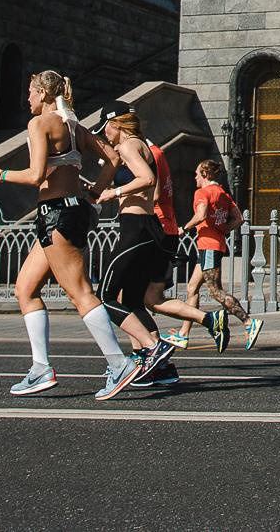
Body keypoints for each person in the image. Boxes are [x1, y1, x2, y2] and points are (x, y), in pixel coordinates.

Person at [0, 70, 166, 400]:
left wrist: (3, 174)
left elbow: (36, 174)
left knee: (80, 293)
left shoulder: (40, 124)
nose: (27, 99)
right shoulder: (73, 125)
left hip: (56, 213)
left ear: (42, 93)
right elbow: (111, 158)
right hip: (69, 211)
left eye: (30, 92)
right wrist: (96, 189)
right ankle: (41, 368)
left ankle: (119, 363)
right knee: (25, 288)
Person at [90, 111, 184, 389]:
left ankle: (153, 347)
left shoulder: (130, 144)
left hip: (136, 229)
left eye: (105, 128)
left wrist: (114, 193)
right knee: (131, 300)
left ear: (117, 123)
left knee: (104, 297)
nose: (104, 133)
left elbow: (146, 179)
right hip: (147, 228)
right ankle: (162, 369)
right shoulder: (139, 145)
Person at [161, 159, 260, 352]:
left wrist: (184, 228)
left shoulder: (203, 192)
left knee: (215, 291)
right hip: (215, 244)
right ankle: (183, 334)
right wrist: (222, 231)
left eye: (197, 173)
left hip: (208, 246)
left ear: (205, 174)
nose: (195, 177)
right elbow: (238, 218)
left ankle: (249, 321)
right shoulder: (222, 193)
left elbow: (201, 215)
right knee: (192, 288)